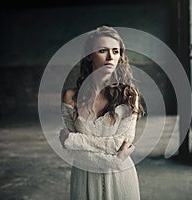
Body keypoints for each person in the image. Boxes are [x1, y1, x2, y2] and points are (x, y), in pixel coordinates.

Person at [59, 26, 144, 200]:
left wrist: (75, 140)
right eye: (103, 50)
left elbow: (120, 143)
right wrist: (115, 160)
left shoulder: (129, 95)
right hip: (84, 178)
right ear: (90, 55)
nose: (110, 57)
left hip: (121, 178)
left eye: (115, 51)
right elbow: (73, 151)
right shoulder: (71, 97)